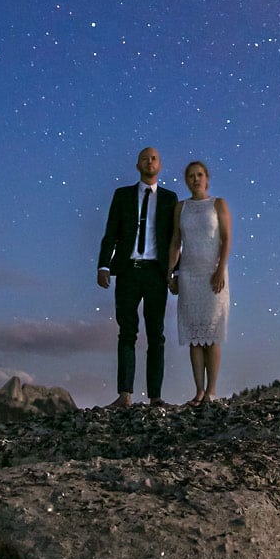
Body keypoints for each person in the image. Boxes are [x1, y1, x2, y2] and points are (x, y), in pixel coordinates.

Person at [96, 146, 180, 406]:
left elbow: (175, 238)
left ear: (160, 165)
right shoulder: (122, 195)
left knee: (156, 334)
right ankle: (125, 395)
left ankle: (155, 397)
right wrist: (103, 265)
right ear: (138, 165)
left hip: (156, 273)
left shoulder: (169, 198)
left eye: (154, 158)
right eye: (145, 158)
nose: (149, 162)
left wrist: (174, 271)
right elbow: (111, 231)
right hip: (128, 270)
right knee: (127, 332)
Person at [167, 159, 232, 403]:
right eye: (191, 175)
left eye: (200, 175)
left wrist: (220, 269)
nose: (196, 179)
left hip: (213, 274)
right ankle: (199, 391)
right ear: (186, 180)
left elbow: (226, 239)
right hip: (189, 275)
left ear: (207, 178)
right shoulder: (180, 207)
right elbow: (176, 241)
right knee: (194, 336)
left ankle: (212, 391)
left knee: (212, 334)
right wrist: (171, 272)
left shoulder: (218, 204)